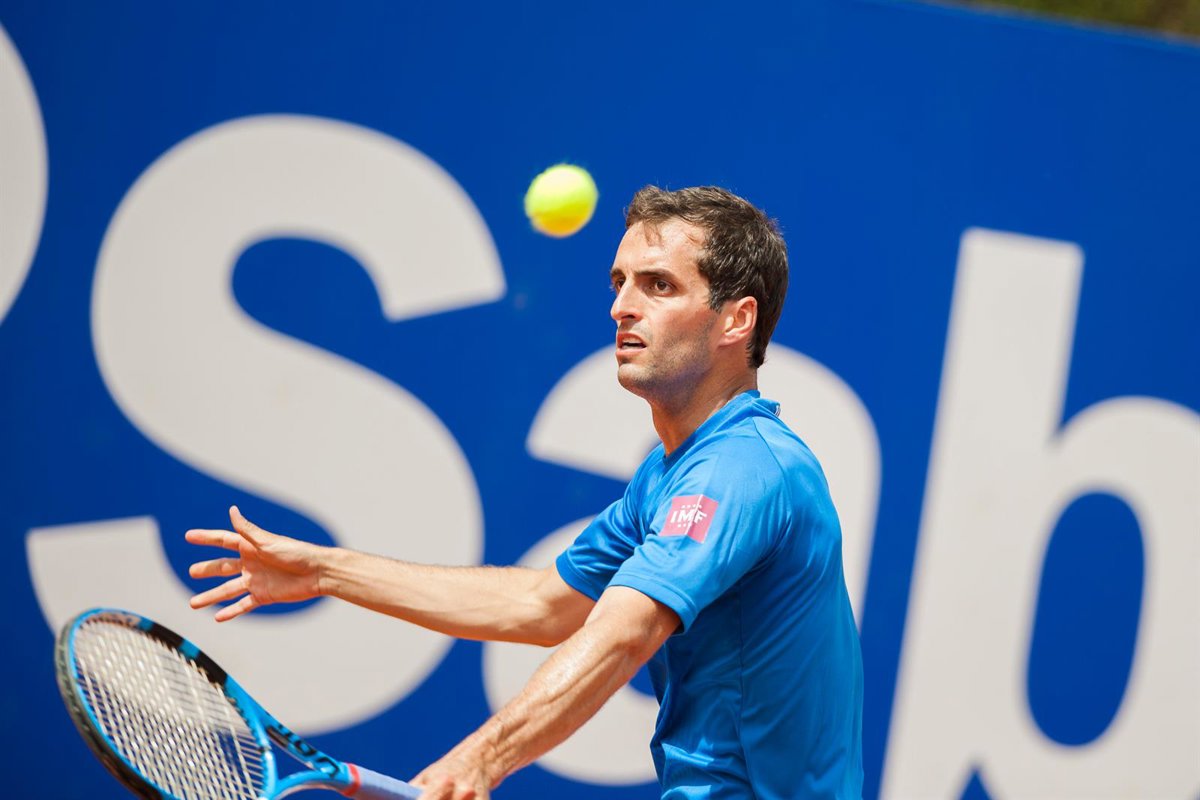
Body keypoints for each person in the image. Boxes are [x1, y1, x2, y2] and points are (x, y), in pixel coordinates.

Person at [187, 186, 864, 800]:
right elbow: (541, 604)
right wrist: (326, 571)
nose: (621, 306)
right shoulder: (668, 476)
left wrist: (482, 759)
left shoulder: (742, 468)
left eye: (659, 285)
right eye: (620, 282)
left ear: (735, 321)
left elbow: (624, 633)